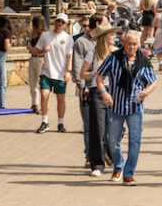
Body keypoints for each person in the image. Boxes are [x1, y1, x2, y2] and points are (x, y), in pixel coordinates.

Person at [96, 30, 157, 185]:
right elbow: (100, 77)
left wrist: (145, 92)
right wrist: (104, 93)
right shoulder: (113, 57)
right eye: (129, 43)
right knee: (113, 140)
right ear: (123, 43)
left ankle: (129, 173)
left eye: (135, 44)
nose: (131, 47)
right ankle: (118, 165)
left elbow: (153, 81)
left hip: (135, 108)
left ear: (139, 45)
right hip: (116, 106)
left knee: (134, 141)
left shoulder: (143, 61)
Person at [79, 21, 118, 176]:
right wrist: (95, 74)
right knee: (98, 129)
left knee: (116, 128)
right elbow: (83, 74)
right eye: (112, 34)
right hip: (97, 92)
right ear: (104, 37)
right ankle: (97, 164)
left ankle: (113, 158)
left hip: (115, 92)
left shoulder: (117, 53)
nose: (115, 36)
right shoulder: (93, 54)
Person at [34, 13, 74, 134]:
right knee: (44, 94)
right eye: (58, 21)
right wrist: (42, 51)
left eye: (62, 22)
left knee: (60, 98)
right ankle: (45, 122)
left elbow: (70, 57)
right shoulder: (45, 36)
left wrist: (68, 71)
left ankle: (60, 123)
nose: (59, 23)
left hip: (60, 73)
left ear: (65, 24)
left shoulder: (68, 38)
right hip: (47, 71)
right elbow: (37, 51)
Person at [73, 13, 102, 168]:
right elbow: (77, 68)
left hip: (104, 89)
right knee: (89, 125)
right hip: (88, 89)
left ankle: (103, 154)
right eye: (106, 23)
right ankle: (90, 156)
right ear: (98, 24)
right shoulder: (81, 43)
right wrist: (82, 87)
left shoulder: (104, 41)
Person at [27, 14, 48, 113]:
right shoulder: (33, 34)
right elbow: (32, 48)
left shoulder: (44, 35)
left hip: (41, 60)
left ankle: (41, 105)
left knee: (40, 83)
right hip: (33, 58)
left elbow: (41, 50)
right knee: (32, 82)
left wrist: (31, 48)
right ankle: (34, 104)